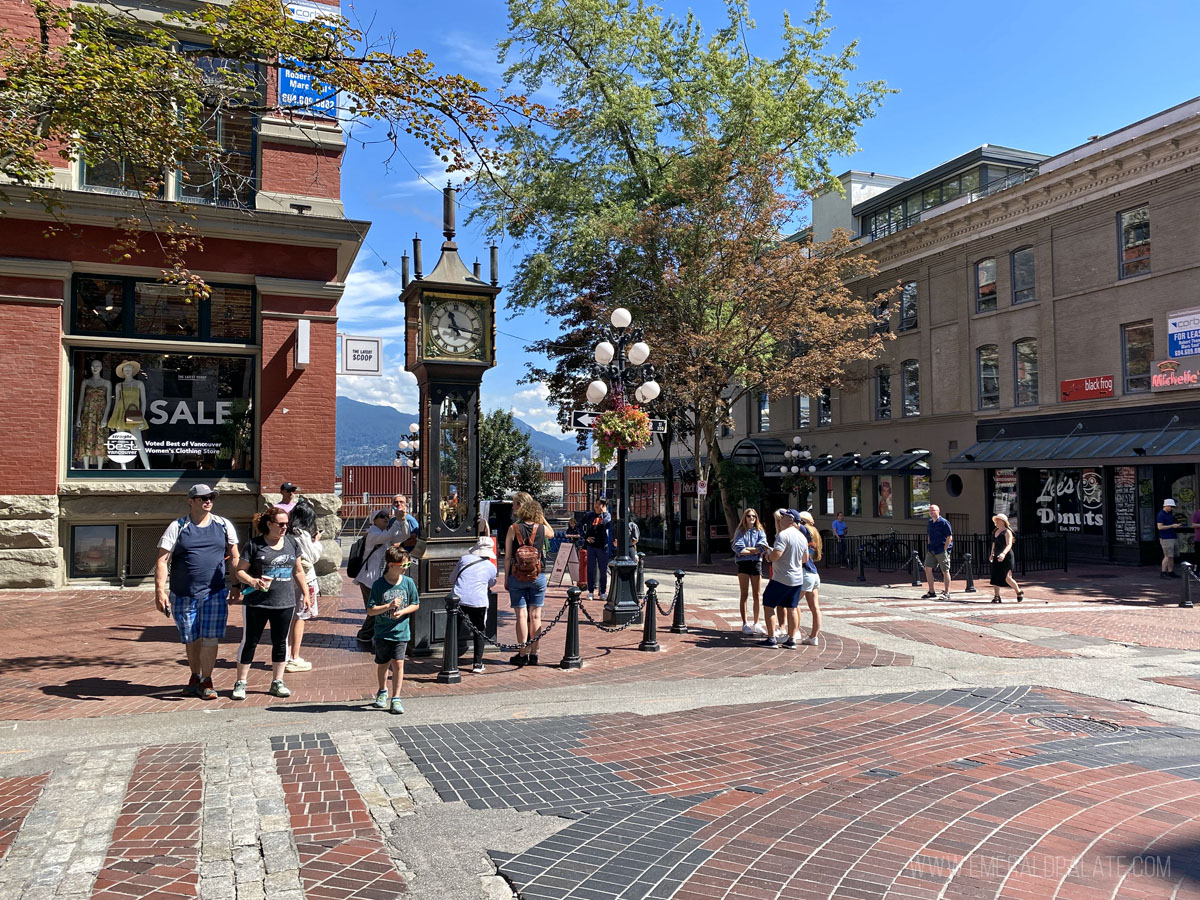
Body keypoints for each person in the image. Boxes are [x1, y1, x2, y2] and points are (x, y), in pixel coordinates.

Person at [154, 484, 240, 700]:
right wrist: (159, 591)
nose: (208, 501)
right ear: (191, 501)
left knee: (210, 638)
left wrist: (237, 584)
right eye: (202, 498)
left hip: (215, 593)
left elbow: (235, 556)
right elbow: (163, 560)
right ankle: (195, 676)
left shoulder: (223, 525)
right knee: (192, 638)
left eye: (211, 497)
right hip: (184, 594)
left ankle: (207, 680)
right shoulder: (178, 526)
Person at [232, 506, 309, 700]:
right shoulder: (255, 544)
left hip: (285, 602)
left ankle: (277, 681)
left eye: (287, 524)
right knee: (250, 641)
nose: (285, 527)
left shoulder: (292, 543)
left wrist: (306, 595)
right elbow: (240, 571)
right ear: (269, 524)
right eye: (281, 524)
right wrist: (252, 581)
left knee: (281, 642)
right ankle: (241, 682)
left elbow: (298, 571)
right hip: (257, 603)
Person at [366, 544, 420, 714]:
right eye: (403, 565)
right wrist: (388, 606)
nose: (406, 568)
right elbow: (370, 610)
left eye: (408, 565)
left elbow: (415, 604)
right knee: (383, 664)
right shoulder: (379, 585)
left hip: (401, 631)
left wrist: (403, 611)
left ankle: (396, 697)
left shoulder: (408, 583)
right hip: (382, 631)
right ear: (391, 565)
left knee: (398, 663)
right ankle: (382, 691)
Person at [353, 509, 415, 645]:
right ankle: (366, 634)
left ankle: (367, 634)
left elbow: (403, 536)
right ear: (374, 520)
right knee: (374, 608)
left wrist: (403, 521)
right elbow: (389, 536)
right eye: (382, 516)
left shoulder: (384, 533)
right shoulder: (372, 534)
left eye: (387, 516)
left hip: (378, 578)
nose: (386, 518)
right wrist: (397, 521)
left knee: (377, 608)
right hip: (368, 578)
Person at [505, 491, 550, 667]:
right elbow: (552, 534)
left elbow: (508, 557)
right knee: (536, 615)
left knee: (521, 615)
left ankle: (522, 653)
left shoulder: (513, 529)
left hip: (517, 576)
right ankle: (534, 653)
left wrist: (507, 578)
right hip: (537, 576)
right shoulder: (541, 528)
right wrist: (542, 518)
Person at [759, 509, 809, 650]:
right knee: (792, 608)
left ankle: (771, 639)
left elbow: (777, 555)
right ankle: (791, 640)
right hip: (797, 578)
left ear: (791, 520)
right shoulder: (802, 537)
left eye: (784, 516)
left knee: (768, 604)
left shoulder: (783, 535)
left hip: (781, 577)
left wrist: (768, 556)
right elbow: (805, 559)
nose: (781, 518)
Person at [451, 537, 498, 674]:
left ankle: (450, 659)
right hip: (478, 601)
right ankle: (477, 663)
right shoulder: (491, 567)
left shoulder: (464, 559)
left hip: (457, 599)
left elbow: (452, 578)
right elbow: (491, 583)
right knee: (479, 630)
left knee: (453, 629)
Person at [285, 499, 322, 672]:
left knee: (290, 617)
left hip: (288, 580)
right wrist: (317, 542)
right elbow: (313, 557)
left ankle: (286, 655)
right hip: (305, 580)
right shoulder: (303, 535)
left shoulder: (287, 533)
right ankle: (294, 657)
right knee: (300, 617)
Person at [106, 359, 150, 469]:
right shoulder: (119, 385)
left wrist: (142, 417)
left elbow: (143, 401)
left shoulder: (139, 384)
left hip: (134, 414)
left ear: (133, 370)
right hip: (120, 413)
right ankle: (123, 468)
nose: (127, 371)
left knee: (139, 443)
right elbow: (116, 403)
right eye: (125, 369)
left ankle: (148, 468)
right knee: (121, 443)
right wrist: (114, 419)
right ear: (122, 371)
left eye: (129, 368)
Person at [731, 508, 768, 635]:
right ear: (744, 518)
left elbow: (762, 547)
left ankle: (756, 623)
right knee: (744, 594)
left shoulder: (760, 531)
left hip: (756, 563)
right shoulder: (740, 531)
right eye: (748, 516)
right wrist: (755, 550)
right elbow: (739, 548)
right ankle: (745, 623)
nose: (751, 518)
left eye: (753, 516)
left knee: (757, 595)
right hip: (743, 564)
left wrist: (751, 550)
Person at [75, 359, 112, 468]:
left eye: (97, 366)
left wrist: (105, 417)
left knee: (100, 439)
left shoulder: (106, 383)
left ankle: (99, 469)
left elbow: (109, 401)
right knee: (86, 439)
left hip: (100, 414)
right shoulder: (86, 382)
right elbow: (81, 400)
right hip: (88, 414)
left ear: (101, 368)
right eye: (93, 366)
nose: (95, 368)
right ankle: (86, 468)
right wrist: (78, 418)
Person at [796, 511, 823, 646]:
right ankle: (813, 637)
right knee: (815, 607)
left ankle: (792, 633)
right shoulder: (815, 532)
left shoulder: (806, 530)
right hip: (814, 573)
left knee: (790, 604)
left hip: (805, 572)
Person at [987, 513, 1023, 603]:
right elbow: (994, 543)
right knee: (995, 576)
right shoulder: (995, 531)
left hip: (1007, 557)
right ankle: (997, 596)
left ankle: (1019, 591)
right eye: (996, 520)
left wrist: (1003, 554)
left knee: (1007, 577)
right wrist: (992, 553)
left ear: (1003, 521)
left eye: (998, 520)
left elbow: (1009, 544)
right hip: (997, 556)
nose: (997, 521)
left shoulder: (1007, 532)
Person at [922, 504, 953, 600]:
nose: (931, 512)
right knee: (927, 568)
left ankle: (947, 593)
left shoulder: (944, 522)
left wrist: (945, 549)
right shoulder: (930, 522)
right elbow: (929, 535)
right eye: (930, 511)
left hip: (941, 550)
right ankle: (931, 591)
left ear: (938, 511)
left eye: (933, 510)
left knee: (945, 571)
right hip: (932, 549)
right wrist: (929, 545)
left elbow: (949, 536)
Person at [583, 498, 611, 601]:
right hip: (591, 546)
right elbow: (578, 525)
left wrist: (603, 514)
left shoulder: (607, 516)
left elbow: (608, 525)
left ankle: (603, 591)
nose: (597, 506)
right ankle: (590, 591)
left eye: (600, 504)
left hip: (602, 547)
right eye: (596, 503)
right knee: (591, 569)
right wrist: (586, 537)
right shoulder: (589, 515)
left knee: (603, 570)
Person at [1158, 498, 1180, 578]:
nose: (1172, 508)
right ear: (1166, 505)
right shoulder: (1161, 514)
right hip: (1166, 538)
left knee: (1171, 556)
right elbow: (1159, 527)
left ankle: (1171, 572)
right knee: (1167, 555)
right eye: (1171, 506)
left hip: (1172, 536)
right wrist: (1172, 526)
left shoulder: (1169, 514)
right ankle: (1163, 572)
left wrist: (1174, 526)